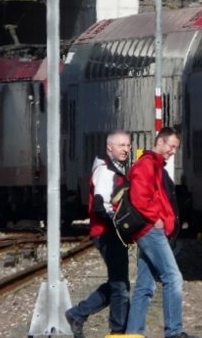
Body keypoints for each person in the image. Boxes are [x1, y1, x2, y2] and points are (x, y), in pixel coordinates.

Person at [125, 127, 198, 338]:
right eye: (172, 146)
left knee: (145, 285)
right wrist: (156, 219)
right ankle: (174, 331)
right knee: (173, 277)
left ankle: (133, 333)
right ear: (160, 142)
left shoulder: (156, 166)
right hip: (150, 231)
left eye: (176, 147)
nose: (173, 151)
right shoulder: (147, 165)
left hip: (152, 230)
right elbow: (140, 199)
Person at [66, 130, 132, 338]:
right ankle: (117, 330)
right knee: (120, 285)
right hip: (106, 232)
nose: (125, 149)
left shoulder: (116, 168)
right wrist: (119, 224)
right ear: (109, 147)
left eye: (128, 145)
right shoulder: (106, 171)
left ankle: (78, 314)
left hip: (109, 232)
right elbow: (99, 205)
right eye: (121, 145)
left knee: (119, 283)